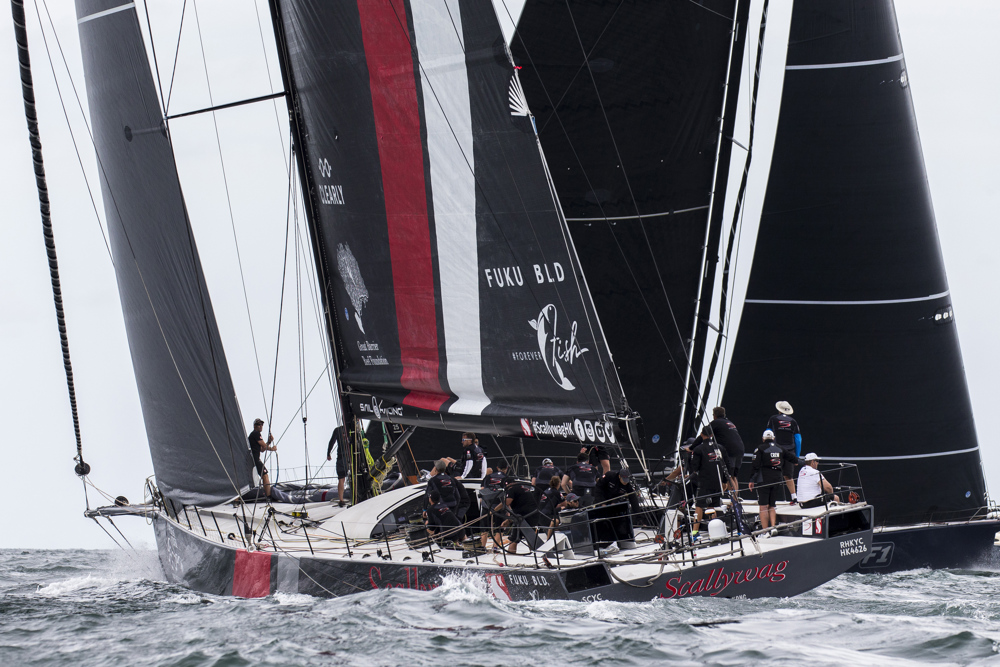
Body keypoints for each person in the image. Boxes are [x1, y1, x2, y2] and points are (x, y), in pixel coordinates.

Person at [749, 429, 797, 530]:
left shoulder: (760, 449)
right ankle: (773, 528)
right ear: (773, 438)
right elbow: (792, 459)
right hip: (777, 478)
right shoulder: (780, 448)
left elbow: (755, 465)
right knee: (772, 505)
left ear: (763, 439)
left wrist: (752, 480)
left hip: (764, 479)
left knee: (763, 506)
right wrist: (802, 462)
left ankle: (765, 531)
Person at [689, 425, 730, 537]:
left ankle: (695, 532)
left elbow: (695, 467)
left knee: (699, 506)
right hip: (718, 482)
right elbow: (727, 465)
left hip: (704, 483)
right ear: (712, 435)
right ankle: (715, 532)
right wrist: (725, 481)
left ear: (702, 435)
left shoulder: (698, 449)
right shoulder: (720, 448)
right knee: (711, 506)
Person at [499, 479, 546, 554]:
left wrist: (494, 510)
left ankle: (511, 556)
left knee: (514, 539)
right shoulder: (523, 488)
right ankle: (536, 556)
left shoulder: (512, 489)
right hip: (533, 515)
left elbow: (507, 502)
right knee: (530, 537)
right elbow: (522, 506)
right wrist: (508, 521)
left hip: (523, 518)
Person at [767, 400, 801, 503]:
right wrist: (797, 457)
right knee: (789, 476)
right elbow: (798, 440)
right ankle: (794, 497)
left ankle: (770, 499)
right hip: (790, 452)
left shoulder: (773, 419)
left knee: (774, 474)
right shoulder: (793, 421)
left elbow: (768, 434)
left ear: (779, 410)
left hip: (777, 451)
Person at [710, 407, 745, 492]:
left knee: (728, 475)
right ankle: (735, 501)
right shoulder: (729, 422)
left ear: (714, 415)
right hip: (740, 450)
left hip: (730, 451)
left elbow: (705, 435)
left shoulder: (715, 422)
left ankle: (734, 501)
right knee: (733, 476)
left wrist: (693, 447)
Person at [664, 437, 698, 509]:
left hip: (698, 483)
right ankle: (684, 508)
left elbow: (678, 470)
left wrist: (666, 480)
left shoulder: (693, 456)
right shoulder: (691, 456)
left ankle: (681, 510)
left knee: (684, 499)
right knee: (686, 497)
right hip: (696, 481)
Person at [248, 418, 276, 497]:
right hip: (255, 459)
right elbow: (264, 446)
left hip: (252, 459)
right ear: (254, 426)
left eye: (261, 425)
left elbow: (262, 449)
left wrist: (269, 442)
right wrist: (272, 449)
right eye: (258, 424)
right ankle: (269, 496)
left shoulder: (254, 435)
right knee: (265, 475)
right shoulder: (256, 433)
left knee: (263, 475)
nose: (260, 426)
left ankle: (268, 495)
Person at [327, 427, 349, 507]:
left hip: (341, 458)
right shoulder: (353, 428)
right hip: (352, 457)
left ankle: (341, 500)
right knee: (354, 476)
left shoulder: (338, 430)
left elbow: (331, 442)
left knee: (341, 479)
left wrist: (328, 453)